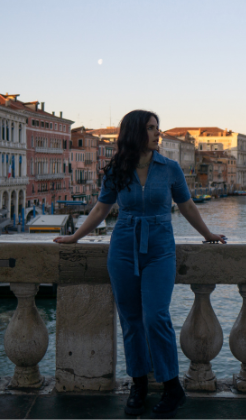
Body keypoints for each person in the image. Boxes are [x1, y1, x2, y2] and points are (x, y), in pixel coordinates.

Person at [54, 110, 225, 418]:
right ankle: (139, 384)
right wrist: (75, 236)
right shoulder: (118, 168)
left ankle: (172, 387)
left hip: (160, 249)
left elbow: (186, 205)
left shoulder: (170, 168)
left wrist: (209, 234)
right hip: (122, 248)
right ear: (135, 132)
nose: (157, 133)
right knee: (131, 320)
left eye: (157, 128)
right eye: (151, 128)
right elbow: (100, 210)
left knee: (155, 317)